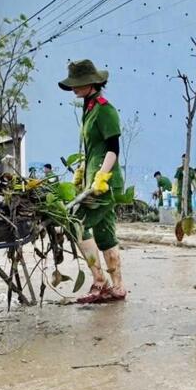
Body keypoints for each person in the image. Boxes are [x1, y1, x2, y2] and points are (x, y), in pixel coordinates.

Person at [58, 58, 127, 303]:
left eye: (79, 83)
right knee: (105, 233)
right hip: (96, 180)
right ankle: (117, 287)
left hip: (105, 183)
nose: (74, 88)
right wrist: (84, 168)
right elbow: (94, 148)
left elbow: (112, 148)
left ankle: (100, 282)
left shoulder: (105, 109)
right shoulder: (89, 108)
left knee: (76, 223)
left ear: (92, 83)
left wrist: (101, 175)